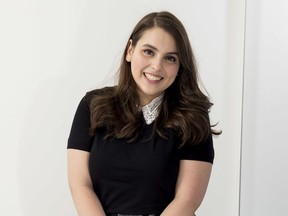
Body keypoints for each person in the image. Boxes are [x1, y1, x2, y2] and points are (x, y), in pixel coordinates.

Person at [67, 11, 221, 216]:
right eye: (149, 52)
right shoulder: (92, 106)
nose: (157, 66)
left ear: (180, 66)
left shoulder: (193, 119)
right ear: (130, 50)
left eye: (170, 58)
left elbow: (187, 200)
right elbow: (80, 185)